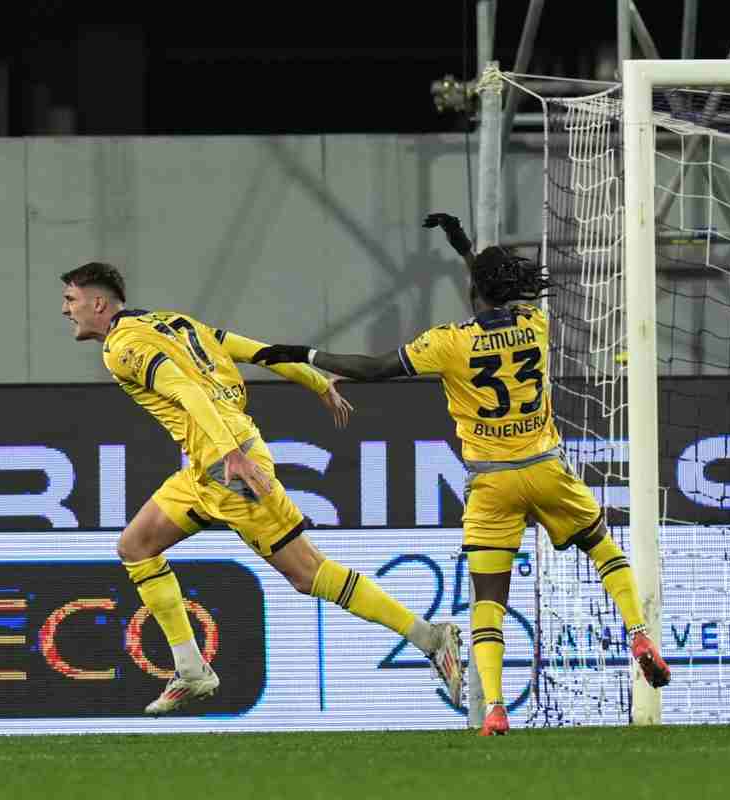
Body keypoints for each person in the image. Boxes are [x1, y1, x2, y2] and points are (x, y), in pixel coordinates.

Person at [253, 214, 671, 736]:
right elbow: (497, 292)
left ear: (474, 291)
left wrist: (305, 354)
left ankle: (494, 706)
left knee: (489, 601)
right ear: (515, 289)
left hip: (492, 483)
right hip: (545, 468)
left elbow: (376, 368)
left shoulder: (449, 343)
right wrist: (468, 250)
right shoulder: (535, 325)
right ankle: (637, 631)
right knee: (604, 549)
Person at [59, 262, 462, 715]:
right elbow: (252, 349)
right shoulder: (172, 322)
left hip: (229, 466)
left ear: (98, 303)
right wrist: (311, 378)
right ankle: (191, 669)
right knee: (136, 546)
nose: (64, 310)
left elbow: (189, 394)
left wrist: (230, 453)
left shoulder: (122, 348)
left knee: (307, 573)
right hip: (206, 467)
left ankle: (430, 638)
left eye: (71, 300)